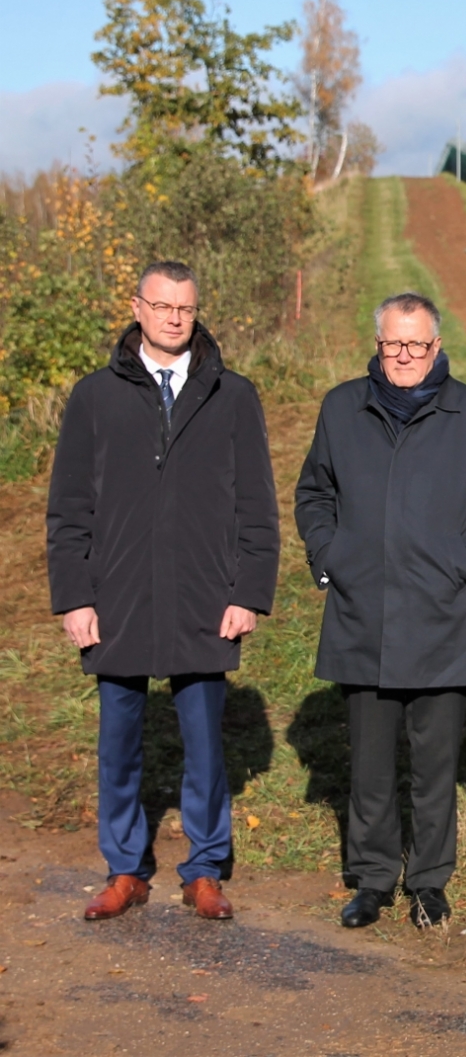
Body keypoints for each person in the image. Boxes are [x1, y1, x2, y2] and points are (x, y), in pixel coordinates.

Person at [47, 260, 280, 922]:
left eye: (186, 307)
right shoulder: (94, 396)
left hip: (205, 594)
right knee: (118, 743)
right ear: (137, 308)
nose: (175, 318)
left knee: (205, 743)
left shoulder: (232, 395)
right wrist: (74, 596)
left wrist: (248, 591)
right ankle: (125, 868)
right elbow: (68, 508)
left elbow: (257, 505)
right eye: (162, 306)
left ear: (196, 311)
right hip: (116, 595)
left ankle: (204, 868)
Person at [295, 292, 466, 930]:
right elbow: (314, 493)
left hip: (440, 614)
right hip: (362, 612)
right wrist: (332, 557)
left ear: (436, 347)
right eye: (393, 343)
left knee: (434, 765)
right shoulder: (343, 407)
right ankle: (372, 879)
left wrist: (463, 567)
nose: (404, 355)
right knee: (368, 764)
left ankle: (428, 880)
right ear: (378, 344)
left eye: (416, 344)